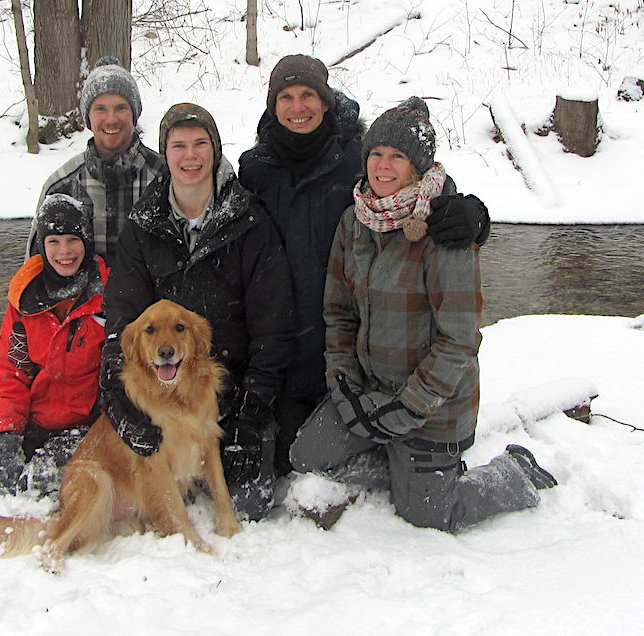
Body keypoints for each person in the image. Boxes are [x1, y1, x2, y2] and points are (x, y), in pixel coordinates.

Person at [290, 97, 556, 533]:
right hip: (370, 394)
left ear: (418, 167)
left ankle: (517, 472)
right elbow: (338, 315)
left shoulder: (444, 232)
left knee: (431, 516)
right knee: (306, 457)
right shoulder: (352, 223)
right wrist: (345, 389)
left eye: (398, 157)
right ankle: (394, 458)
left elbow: (459, 341)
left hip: (434, 409)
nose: (383, 166)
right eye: (376, 154)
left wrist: (409, 408)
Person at [238, 54, 491, 477]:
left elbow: (417, 185)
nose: (297, 107)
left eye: (308, 96)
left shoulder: (357, 157)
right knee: (286, 463)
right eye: (286, 96)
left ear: (326, 103)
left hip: (342, 354)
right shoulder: (254, 168)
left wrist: (474, 216)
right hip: (286, 349)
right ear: (272, 104)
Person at [99, 103, 296, 521]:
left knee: (251, 507)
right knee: (145, 494)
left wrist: (252, 413)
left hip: (237, 395)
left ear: (215, 149)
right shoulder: (141, 227)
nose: (190, 156)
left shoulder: (251, 222)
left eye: (200, 144)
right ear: (164, 153)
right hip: (169, 397)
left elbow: (273, 330)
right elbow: (121, 321)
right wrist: (119, 399)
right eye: (178, 145)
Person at [0, 194, 109, 501]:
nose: (64, 252)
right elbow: (12, 373)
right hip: (36, 419)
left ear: (87, 242)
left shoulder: (109, 295)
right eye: (54, 241)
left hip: (88, 424)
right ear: (41, 244)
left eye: (73, 240)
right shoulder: (25, 299)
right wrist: (6, 434)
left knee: (41, 493)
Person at [27, 57, 166, 264]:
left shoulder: (165, 177)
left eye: (121, 108)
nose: (111, 119)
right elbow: (34, 270)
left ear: (134, 114)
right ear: (88, 117)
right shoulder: (62, 186)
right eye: (100, 108)